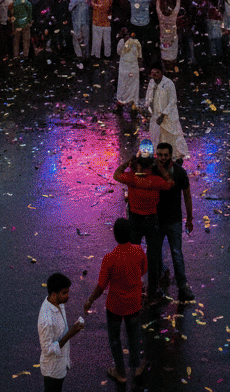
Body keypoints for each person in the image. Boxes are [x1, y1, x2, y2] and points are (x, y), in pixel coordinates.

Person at [83, 217, 148, 383]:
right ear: (130, 233)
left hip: (115, 306)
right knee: (134, 336)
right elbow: (143, 270)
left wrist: (90, 300)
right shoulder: (139, 251)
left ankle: (120, 372)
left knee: (114, 338)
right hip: (134, 304)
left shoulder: (109, 258)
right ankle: (136, 367)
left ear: (115, 235)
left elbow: (101, 286)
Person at [112, 152, 174, 302]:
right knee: (153, 257)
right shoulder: (155, 180)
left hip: (134, 220)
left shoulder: (132, 178)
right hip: (151, 220)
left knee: (132, 255)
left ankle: (133, 286)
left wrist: (128, 162)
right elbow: (170, 183)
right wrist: (160, 167)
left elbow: (116, 174)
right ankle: (153, 290)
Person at [151, 142, 196, 303]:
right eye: (160, 155)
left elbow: (187, 195)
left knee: (176, 253)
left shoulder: (179, 172)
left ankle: (182, 284)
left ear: (170, 155)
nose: (162, 158)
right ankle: (158, 285)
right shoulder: (152, 170)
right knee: (156, 254)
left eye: (165, 155)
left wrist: (189, 218)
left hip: (173, 219)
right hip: (157, 219)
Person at [38, 272, 84, 392]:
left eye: (68, 292)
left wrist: (73, 329)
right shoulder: (46, 320)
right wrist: (70, 334)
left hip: (61, 363)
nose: (68, 296)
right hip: (53, 370)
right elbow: (47, 350)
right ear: (54, 295)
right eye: (64, 293)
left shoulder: (58, 303)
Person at [144, 63, 189, 159]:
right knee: (157, 135)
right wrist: (148, 107)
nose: (155, 75)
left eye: (157, 72)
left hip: (168, 115)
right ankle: (161, 154)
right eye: (153, 73)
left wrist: (163, 115)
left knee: (172, 135)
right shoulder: (151, 82)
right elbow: (148, 96)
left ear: (162, 73)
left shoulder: (169, 83)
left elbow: (173, 101)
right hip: (155, 115)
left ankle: (176, 155)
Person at [114, 27, 142, 114]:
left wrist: (138, 67)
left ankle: (133, 106)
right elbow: (119, 52)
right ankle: (120, 105)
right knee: (123, 86)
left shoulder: (135, 43)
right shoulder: (122, 42)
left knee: (132, 87)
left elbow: (139, 56)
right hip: (125, 68)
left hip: (132, 68)